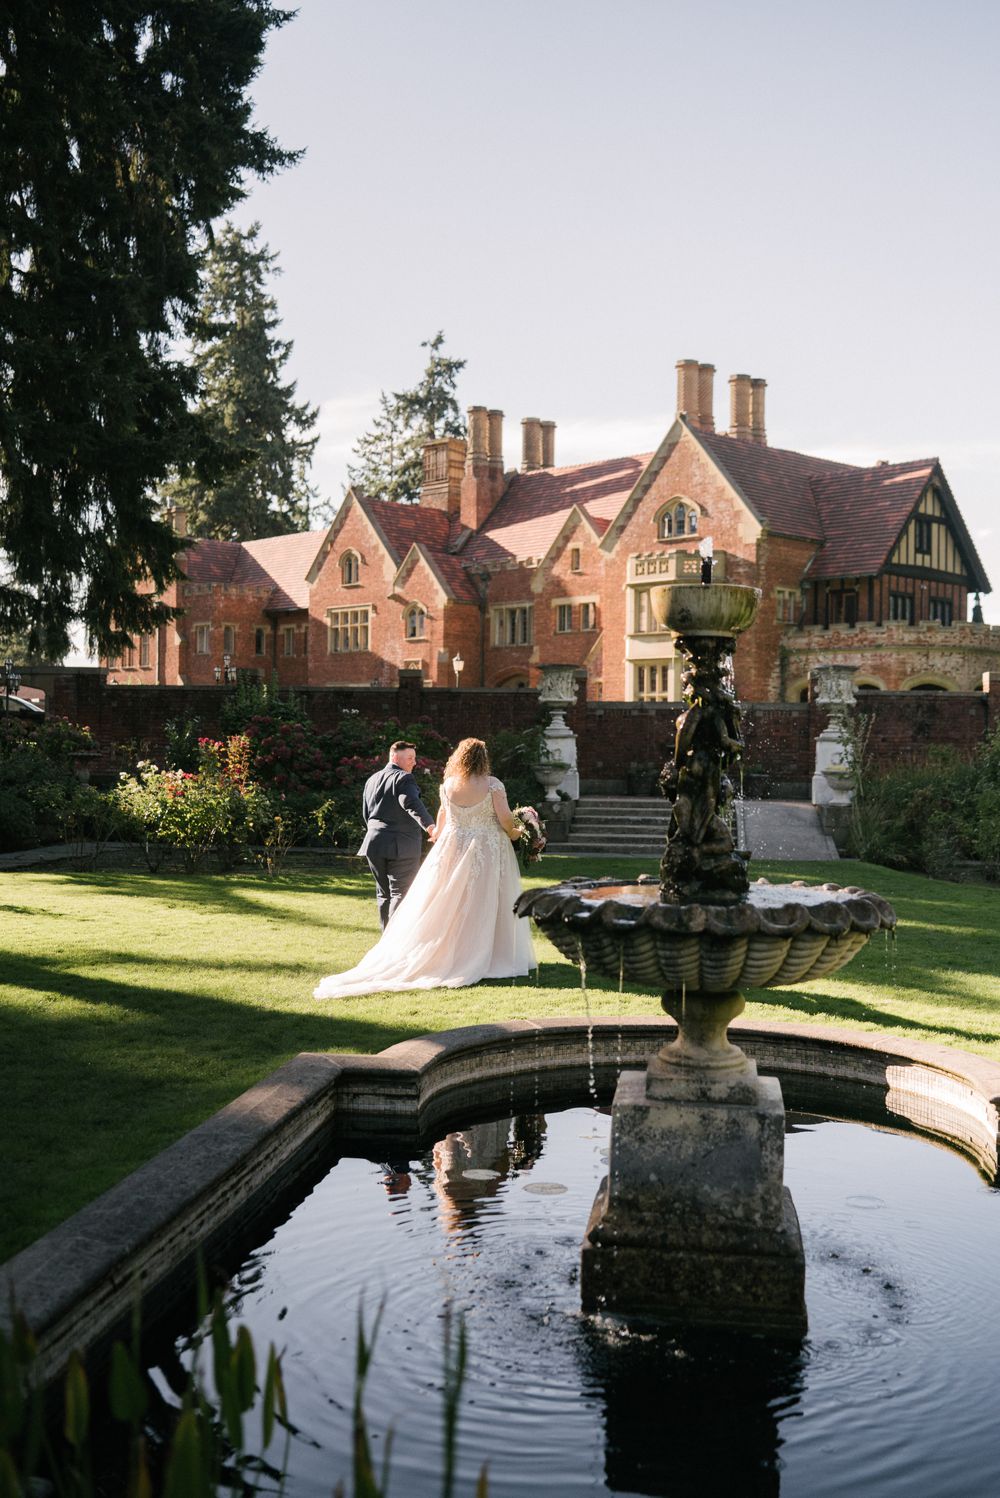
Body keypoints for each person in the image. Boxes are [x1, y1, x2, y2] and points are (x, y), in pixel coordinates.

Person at [314, 737, 535, 998]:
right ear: (483, 759)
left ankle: (435, 948)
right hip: (486, 849)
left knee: (446, 901)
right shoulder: (493, 784)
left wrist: (438, 833)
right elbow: (505, 819)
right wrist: (519, 832)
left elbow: (442, 819)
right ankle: (485, 955)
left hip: (451, 846)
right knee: (483, 900)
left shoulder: (448, 784)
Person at [358, 740, 437, 930]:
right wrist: (431, 827)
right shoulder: (404, 778)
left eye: (414, 758)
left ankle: (385, 937)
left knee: (383, 894)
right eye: (410, 758)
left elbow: (366, 814)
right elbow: (411, 803)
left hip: (374, 843)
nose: (414, 762)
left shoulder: (372, 779)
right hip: (401, 845)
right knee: (401, 894)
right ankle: (393, 941)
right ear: (394, 757)